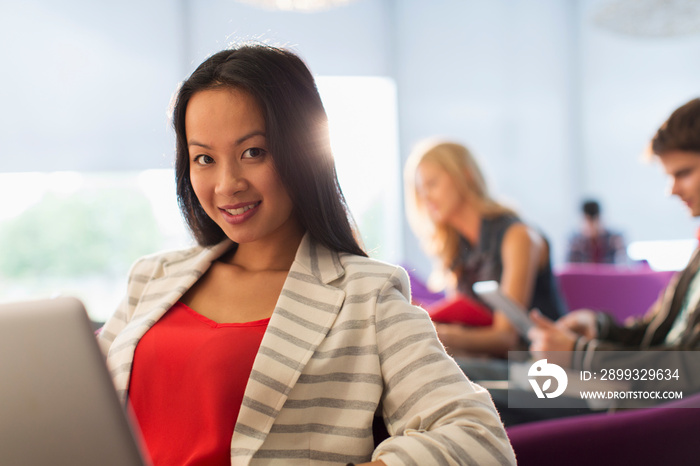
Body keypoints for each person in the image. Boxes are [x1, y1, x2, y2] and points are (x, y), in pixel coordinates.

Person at [97, 44, 515, 466]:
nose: (227, 184)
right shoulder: (151, 278)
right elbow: (75, 402)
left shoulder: (365, 296)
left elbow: (479, 440)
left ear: (301, 151)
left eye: (253, 152)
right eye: (204, 158)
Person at [529, 97, 700, 395]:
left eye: (683, 173)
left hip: (646, 414)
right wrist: (598, 327)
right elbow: (654, 334)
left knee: (490, 398)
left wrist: (580, 355)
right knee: (492, 388)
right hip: (635, 398)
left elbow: (688, 372)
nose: (671, 190)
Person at [404, 139, 566, 360]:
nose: (426, 197)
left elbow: (506, 337)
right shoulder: (457, 248)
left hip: (535, 366)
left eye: (432, 184)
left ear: (466, 175)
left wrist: (436, 332)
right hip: (490, 364)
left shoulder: (517, 236)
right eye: (421, 191)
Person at [566, 199, 627, 264]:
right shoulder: (575, 241)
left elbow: (623, 264)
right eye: (588, 220)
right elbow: (570, 266)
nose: (592, 225)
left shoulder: (614, 239)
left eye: (595, 220)